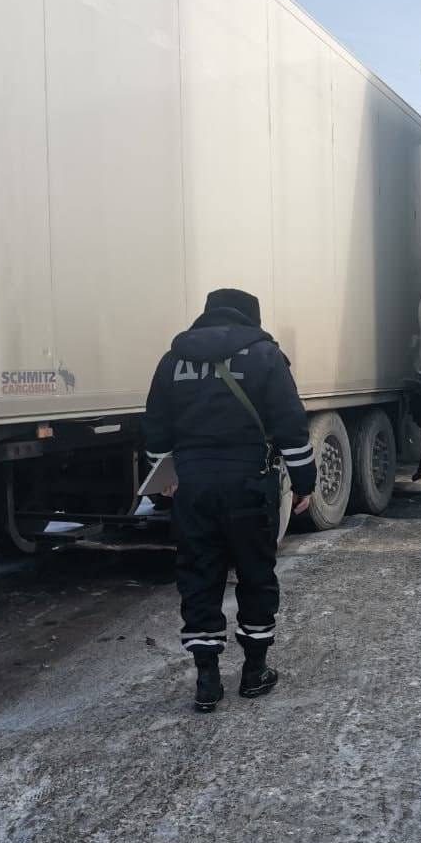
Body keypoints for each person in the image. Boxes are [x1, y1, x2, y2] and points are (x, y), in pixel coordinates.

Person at [143, 288, 316, 712]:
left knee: (199, 574)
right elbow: (291, 425)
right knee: (255, 574)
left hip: (193, 487)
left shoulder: (173, 360)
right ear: (250, 318)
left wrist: (164, 476)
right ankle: (254, 672)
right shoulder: (265, 356)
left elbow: (155, 427)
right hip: (249, 484)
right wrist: (305, 482)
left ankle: (206, 679)